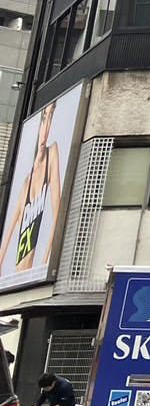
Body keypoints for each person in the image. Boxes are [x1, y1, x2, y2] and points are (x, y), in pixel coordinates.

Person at [0, 105, 61, 278]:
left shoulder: (52, 153)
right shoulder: (25, 183)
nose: (46, 128)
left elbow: (58, 214)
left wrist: (45, 260)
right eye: (44, 118)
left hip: (34, 274)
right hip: (19, 276)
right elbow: (8, 234)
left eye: (50, 117)